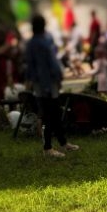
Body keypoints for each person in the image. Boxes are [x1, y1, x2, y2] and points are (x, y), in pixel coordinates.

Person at [24, 15, 74, 158]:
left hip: (38, 83)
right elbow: (53, 63)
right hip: (49, 83)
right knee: (51, 114)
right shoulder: (45, 42)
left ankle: (63, 142)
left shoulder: (30, 44)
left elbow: (29, 65)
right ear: (44, 25)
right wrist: (59, 77)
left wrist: (29, 81)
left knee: (52, 113)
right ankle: (48, 147)